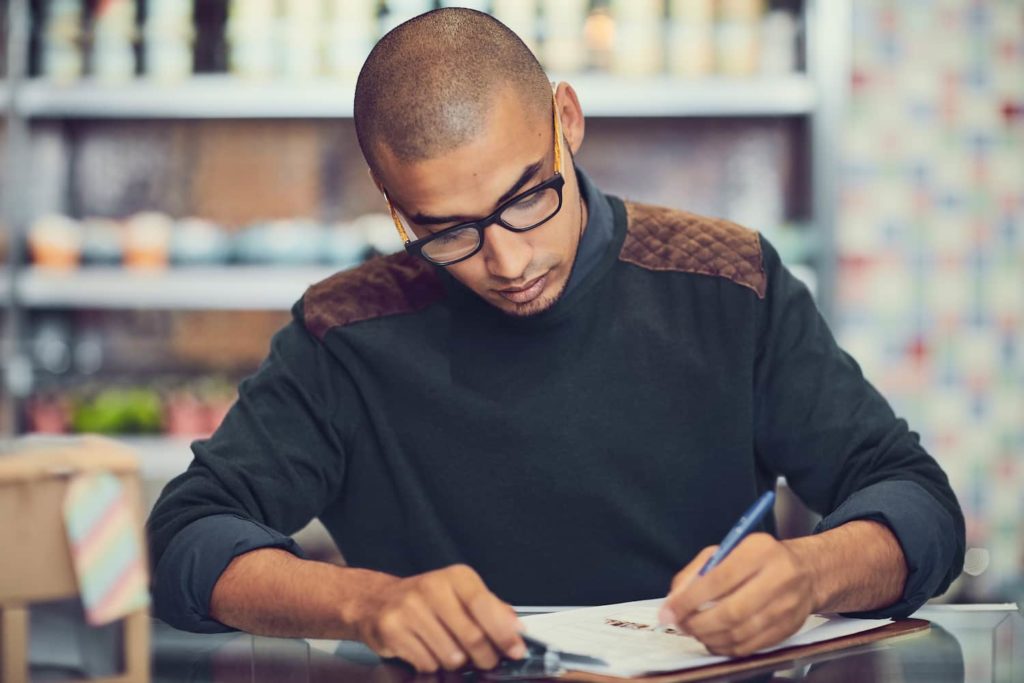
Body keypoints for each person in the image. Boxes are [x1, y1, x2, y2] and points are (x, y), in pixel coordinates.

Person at [146, 8, 965, 675]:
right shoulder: (345, 330)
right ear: (396, 210)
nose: (507, 261)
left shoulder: (728, 280)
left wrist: (810, 572)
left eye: (527, 197)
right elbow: (188, 537)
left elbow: (919, 502)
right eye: (447, 232)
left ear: (565, 122)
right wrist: (362, 603)